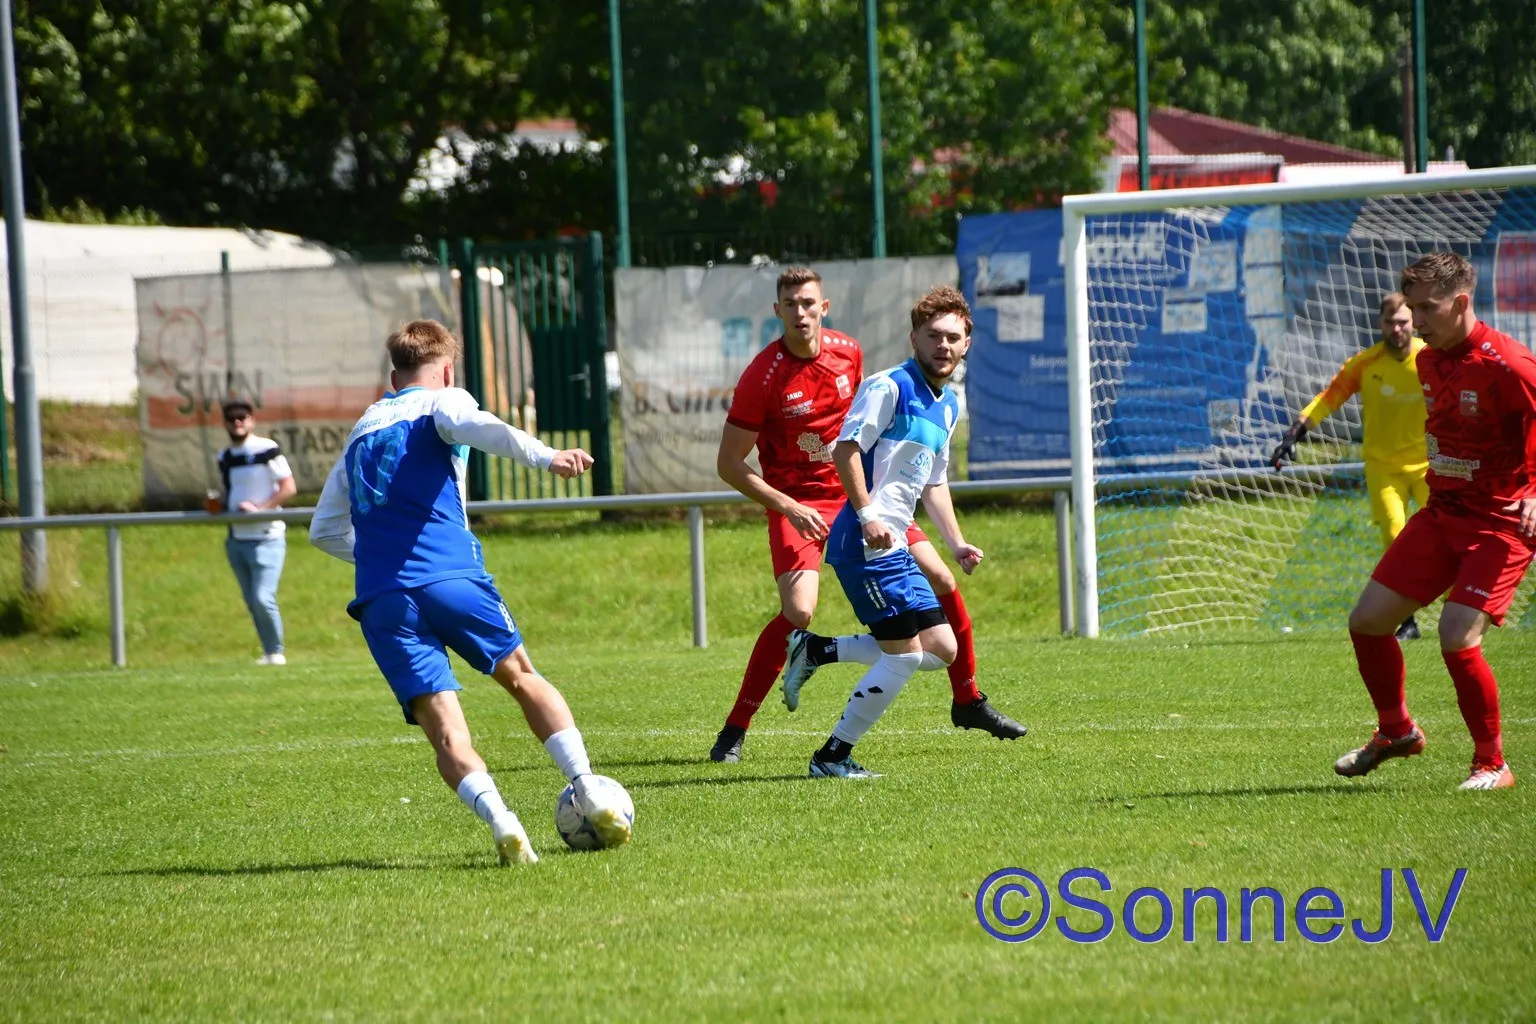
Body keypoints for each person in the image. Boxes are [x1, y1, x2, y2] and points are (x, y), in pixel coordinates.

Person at [310, 319, 630, 864]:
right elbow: (477, 425)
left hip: (382, 598)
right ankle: (588, 789)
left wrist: (380, 558)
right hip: (450, 576)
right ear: (447, 370)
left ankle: (503, 821)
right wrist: (546, 456)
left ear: (394, 377)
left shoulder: (361, 430)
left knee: (445, 733)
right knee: (522, 676)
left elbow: (323, 530)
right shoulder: (444, 400)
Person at [709, 267, 1024, 763]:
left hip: (865, 497)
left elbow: (875, 437)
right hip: (804, 502)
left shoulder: (851, 353)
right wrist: (791, 507)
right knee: (800, 612)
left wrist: (944, 533)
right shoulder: (762, 376)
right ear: (778, 311)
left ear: (824, 307)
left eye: (808, 303)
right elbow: (730, 464)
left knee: (943, 583)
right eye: (790, 304)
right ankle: (737, 727)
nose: (800, 313)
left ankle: (965, 697)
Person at [1333, 253, 1536, 791]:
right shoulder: (1430, 360)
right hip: (1443, 513)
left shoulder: (1508, 363)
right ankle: (1397, 732)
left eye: (1426, 308)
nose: (1416, 320)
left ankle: (1492, 764)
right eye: (1412, 308)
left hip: (1499, 522)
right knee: (1368, 621)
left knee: (1455, 633)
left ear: (1461, 302)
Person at [804, 286, 987, 779]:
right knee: (905, 656)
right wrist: (868, 515)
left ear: (966, 344)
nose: (943, 345)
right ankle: (831, 757)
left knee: (942, 649)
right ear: (914, 338)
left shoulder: (948, 405)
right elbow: (845, 449)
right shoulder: (889, 386)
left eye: (953, 337)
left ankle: (818, 649)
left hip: (897, 543)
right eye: (933, 335)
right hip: (865, 543)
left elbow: (934, 482)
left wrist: (956, 542)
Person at [1271, 293, 1428, 639]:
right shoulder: (1365, 363)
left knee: (1449, 539)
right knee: (1396, 539)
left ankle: (1466, 609)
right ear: (1380, 324)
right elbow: (1329, 397)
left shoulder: (1431, 358)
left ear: (1414, 322)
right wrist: (1294, 434)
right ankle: (1408, 621)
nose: (1397, 328)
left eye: (1403, 321)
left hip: (1430, 467)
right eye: (1390, 322)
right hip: (1384, 469)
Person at [216, 399, 298, 665]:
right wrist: (217, 505)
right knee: (252, 601)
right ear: (225, 423)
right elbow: (230, 493)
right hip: (236, 538)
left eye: (242, 417)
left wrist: (260, 509)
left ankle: (277, 652)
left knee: (263, 598)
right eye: (232, 418)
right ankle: (269, 652)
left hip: (267, 536)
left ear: (252, 420)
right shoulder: (224, 456)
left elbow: (288, 487)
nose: (237, 422)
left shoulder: (267, 449)